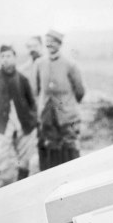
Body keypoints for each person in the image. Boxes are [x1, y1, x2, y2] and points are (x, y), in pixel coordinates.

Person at [0, 45, 38, 191]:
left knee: (24, 159)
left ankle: (21, 188)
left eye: (8, 56)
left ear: (15, 57)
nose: (5, 59)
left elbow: (32, 102)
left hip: (23, 124)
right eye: (3, 56)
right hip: (0, 124)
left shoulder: (22, 79)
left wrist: (32, 118)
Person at [36, 29, 85, 169]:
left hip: (67, 117)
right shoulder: (40, 64)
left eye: (52, 42)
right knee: (51, 151)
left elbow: (80, 90)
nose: (49, 45)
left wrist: (68, 106)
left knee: (71, 149)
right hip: (47, 117)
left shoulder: (70, 64)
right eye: (47, 42)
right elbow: (37, 90)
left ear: (59, 44)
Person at [20, 35, 43, 99]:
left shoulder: (50, 66)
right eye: (30, 47)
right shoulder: (22, 70)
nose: (32, 49)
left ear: (41, 46)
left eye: (35, 46)